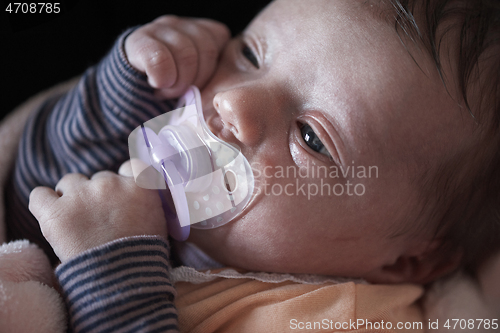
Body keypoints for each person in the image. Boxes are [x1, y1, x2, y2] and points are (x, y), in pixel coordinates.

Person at [6, 0, 500, 331]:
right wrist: (124, 97)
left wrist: (112, 271)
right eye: (249, 53)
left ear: (408, 262)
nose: (235, 101)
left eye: (311, 138)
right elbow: (29, 209)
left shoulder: (338, 319)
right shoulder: (165, 200)